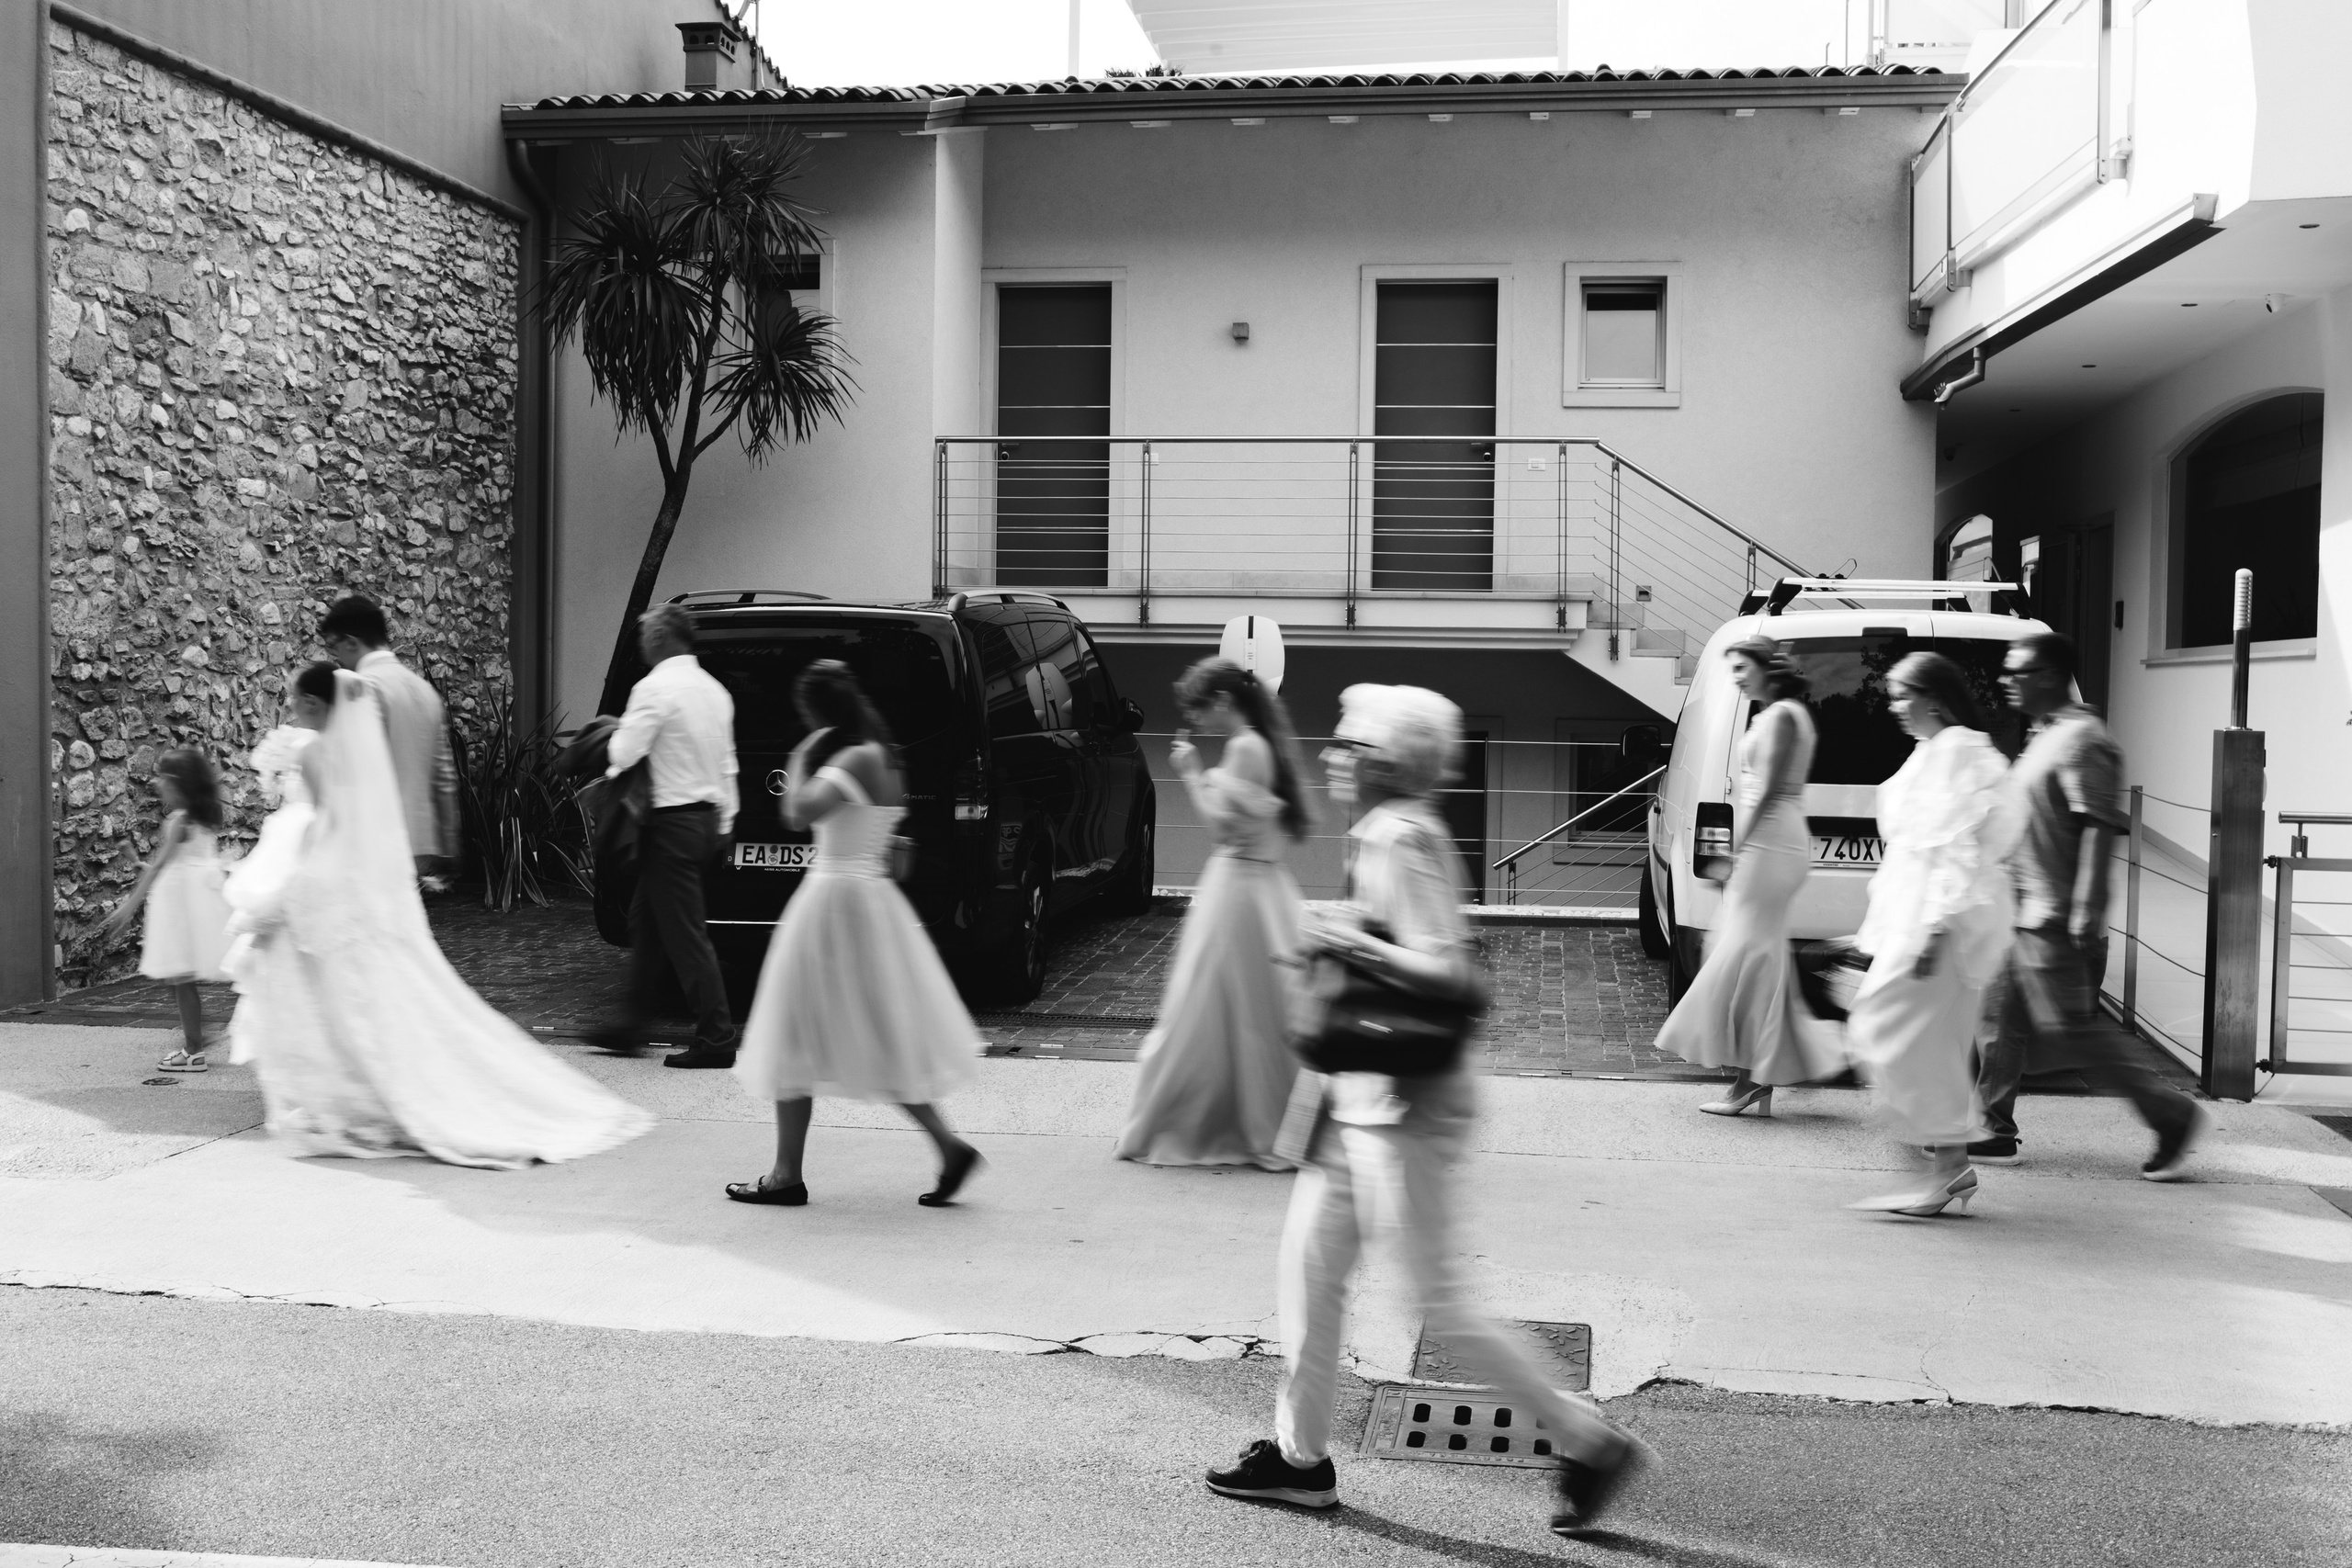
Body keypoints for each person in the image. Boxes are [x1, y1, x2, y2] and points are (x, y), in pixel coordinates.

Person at [1204, 683, 1649, 1538]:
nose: (1331, 756)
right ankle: (1301, 1460)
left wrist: (1345, 938)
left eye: (1347, 745)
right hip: (1366, 1097)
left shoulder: (1402, 838)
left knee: (1440, 1305)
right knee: (1309, 1268)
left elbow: (1453, 977)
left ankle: (1589, 1441)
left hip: (1406, 1103)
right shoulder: (1383, 833)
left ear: (1387, 762)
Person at [224, 668, 651, 1168]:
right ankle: (375, 1092)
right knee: (383, 994)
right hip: (365, 888)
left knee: (348, 997)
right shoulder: (360, 750)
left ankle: (363, 1096)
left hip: (332, 885)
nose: (292, 707)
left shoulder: (317, 752)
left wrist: (291, 885)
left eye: (297, 699)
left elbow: (326, 826)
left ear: (316, 704)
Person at [727, 660, 984, 1208]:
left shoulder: (852, 758)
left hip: (833, 903)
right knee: (880, 1036)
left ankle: (785, 1175)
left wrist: (798, 758)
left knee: (794, 1032)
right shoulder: (884, 759)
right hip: (870, 903)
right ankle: (945, 1146)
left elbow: (796, 814)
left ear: (819, 712)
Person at [1974, 632, 2209, 1179]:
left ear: (2052, 676)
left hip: (2055, 914)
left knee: (2073, 1032)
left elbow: (2100, 828)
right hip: (2021, 910)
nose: (2007, 680)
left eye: (2019, 671)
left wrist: (2084, 909)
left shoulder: (2086, 741)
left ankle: (2173, 1115)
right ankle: (1991, 1126)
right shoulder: (2046, 734)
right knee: (1996, 1017)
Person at [1114, 659, 1309, 1168]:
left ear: (1223, 702)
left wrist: (1192, 774)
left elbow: (1222, 829)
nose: (1194, 719)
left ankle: (1215, 1122)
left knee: (1213, 1009)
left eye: (1197, 708)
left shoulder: (1245, 747)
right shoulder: (1262, 744)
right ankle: (1268, 1118)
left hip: (1238, 888)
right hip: (1261, 887)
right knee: (1255, 1011)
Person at [1844, 652, 2016, 1217]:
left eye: (1900, 696)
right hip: (1924, 919)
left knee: (1885, 1027)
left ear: (1934, 698)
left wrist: (1938, 930)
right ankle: (1946, 1169)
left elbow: (1959, 847)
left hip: (1939, 924)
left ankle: (1944, 1167)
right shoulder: (1936, 750)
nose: (1892, 707)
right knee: (1922, 1040)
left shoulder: (1958, 750)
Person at [1657, 637, 1841, 1115]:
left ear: (1766, 667)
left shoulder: (1780, 717)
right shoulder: (1783, 715)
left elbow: (1771, 792)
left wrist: (1735, 850)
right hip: (1773, 840)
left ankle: (1753, 1078)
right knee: (1755, 958)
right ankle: (1759, 1075)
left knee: (1747, 957)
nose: (1736, 676)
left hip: (1770, 842)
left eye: (1741, 667)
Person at [587, 604, 741, 1069]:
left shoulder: (654, 688)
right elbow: (728, 765)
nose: (641, 642)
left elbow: (624, 750)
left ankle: (716, 1039)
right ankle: (629, 1027)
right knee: (649, 923)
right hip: (704, 821)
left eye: (645, 635)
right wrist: (726, 822)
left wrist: (611, 737)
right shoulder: (715, 692)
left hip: (668, 826)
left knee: (684, 933)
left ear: (659, 639)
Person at [99, 748, 232, 1073]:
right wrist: (140, 863)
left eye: (162, 777)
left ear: (177, 783)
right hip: (196, 900)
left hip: (180, 907)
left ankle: (193, 1051)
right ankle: (196, 1037)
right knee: (179, 977)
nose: (157, 783)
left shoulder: (179, 820)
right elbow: (179, 864)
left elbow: (162, 868)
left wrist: (128, 906)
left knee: (179, 976)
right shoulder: (202, 819)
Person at [320, 594, 460, 885]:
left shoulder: (361, 689)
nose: (338, 658)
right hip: (419, 846)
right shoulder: (425, 692)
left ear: (351, 642)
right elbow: (445, 779)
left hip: (371, 842)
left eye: (335, 647)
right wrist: (448, 845)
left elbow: (349, 771)